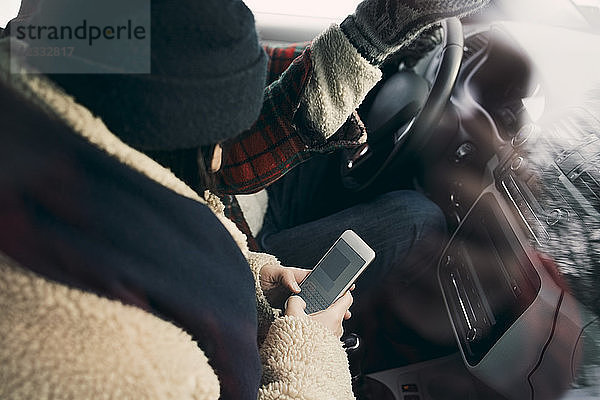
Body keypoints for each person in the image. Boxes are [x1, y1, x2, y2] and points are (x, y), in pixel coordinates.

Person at [0, 0, 489, 398]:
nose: (219, 161)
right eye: (218, 142)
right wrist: (310, 350)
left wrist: (255, 275)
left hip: (247, 223)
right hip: (247, 233)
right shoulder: (135, 370)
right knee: (418, 219)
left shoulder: (51, 107)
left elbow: (191, 217)